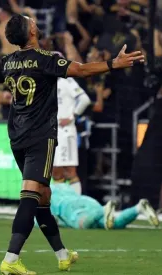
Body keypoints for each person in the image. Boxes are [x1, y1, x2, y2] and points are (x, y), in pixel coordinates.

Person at [0, 13, 145, 275]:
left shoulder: (8, 62)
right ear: (31, 31)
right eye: (31, 20)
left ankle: (63, 255)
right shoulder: (46, 59)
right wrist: (114, 63)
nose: (34, 20)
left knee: (44, 196)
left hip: (17, 136)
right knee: (31, 196)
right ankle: (11, 259)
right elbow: (80, 69)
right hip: (40, 136)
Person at [44, 183, 159, 230]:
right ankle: (138, 208)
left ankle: (104, 210)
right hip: (87, 201)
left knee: (82, 223)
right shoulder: (63, 186)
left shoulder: (43, 196)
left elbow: (44, 220)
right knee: (113, 224)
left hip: (69, 208)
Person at [52, 61, 91, 195]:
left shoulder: (67, 81)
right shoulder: (47, 82)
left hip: (66, 132)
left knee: (70, 171)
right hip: (52, 132)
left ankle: (77, 205)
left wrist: (72, 116)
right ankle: (61, 205)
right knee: (55, 173)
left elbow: (85, 99)